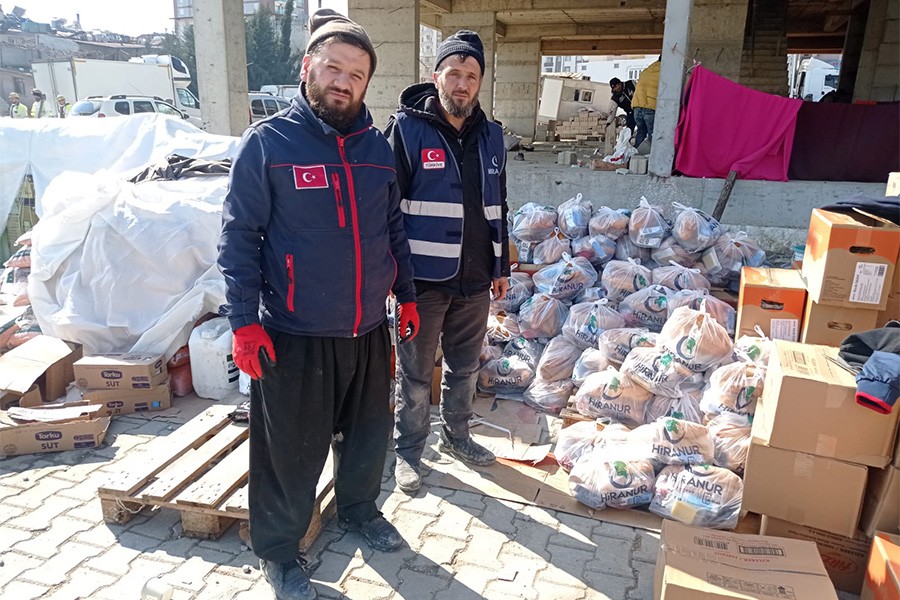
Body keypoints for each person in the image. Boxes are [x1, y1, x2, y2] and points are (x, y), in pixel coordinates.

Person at [218, 9, 418, 600]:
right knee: (289, 451)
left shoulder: (378, 151)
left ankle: (358, 509)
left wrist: (404, 294)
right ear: (307, 68)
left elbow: (392, 231)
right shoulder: (269, 144)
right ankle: (279, 552)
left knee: (367, 435)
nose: (343, 80)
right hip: (294, 332)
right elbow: (238, 237)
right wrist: (243, 322)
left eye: (356, 74)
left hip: (365, 328)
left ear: (365, 84)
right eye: (333, 67)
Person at [385, 30, 510, 494]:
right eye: (454, 73)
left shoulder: (493, 136)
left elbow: (500, 203)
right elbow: (386, 208)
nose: (462, 83)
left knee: (465, 367)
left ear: (479, 82)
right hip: (422, 283)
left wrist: (502, 269)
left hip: (476, 280)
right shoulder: (407, 129)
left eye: (471, 76)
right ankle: (409, 452)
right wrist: (393, 280)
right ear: (436, 75)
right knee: (415, 374)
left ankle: (458, 437)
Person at [632, 58, 661, 149]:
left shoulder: (646, 71)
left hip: (637, 105)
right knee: (652, 132)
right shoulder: (665, 71)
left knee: (641, 131)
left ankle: (636, 156)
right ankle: (652, 156)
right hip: (650, 106)